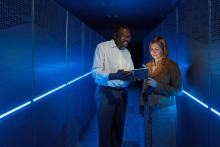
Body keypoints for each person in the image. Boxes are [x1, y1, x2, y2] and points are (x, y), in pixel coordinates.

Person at [92, 24, 134, 147]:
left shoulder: (127, 52)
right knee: (105, 130)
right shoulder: (102, 47)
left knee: (118, 129)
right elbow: (95, 72)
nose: (127, 39)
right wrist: (113, 76)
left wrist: (132, 76)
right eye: (123, 36)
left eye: (129, 36)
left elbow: (130, 70)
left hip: (122, 93)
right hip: (105, 93)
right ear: (115, 35)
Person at [140, 36, 183, 147]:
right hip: (149, 108)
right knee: (150, 141)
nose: (153, 52)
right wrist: (142, 105)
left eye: (156, 49)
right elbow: (144, 88)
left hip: (164, 110)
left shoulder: (172, 66)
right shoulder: (148, 65)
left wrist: (157, 85)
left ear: (163, 49)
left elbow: (178, 91)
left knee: (163, 142)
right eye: (151, 49)